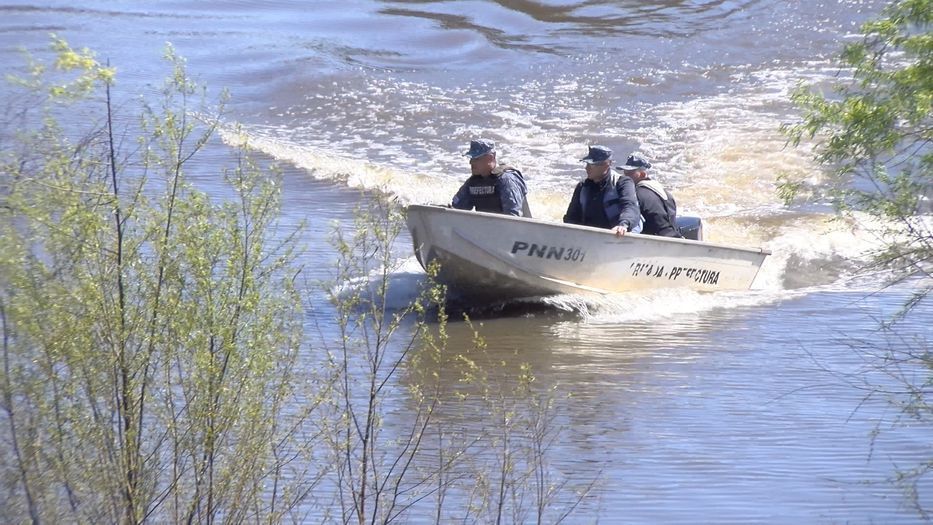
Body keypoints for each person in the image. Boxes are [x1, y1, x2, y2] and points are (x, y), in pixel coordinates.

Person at [562, 145, 640, 237]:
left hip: (616, 236)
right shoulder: (582, 186)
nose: (587, 168)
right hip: (588, 238)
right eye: (587, 164)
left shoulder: (623, 183)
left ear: (607, 164)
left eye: (592, 165)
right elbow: (571, 217)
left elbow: (630, 206)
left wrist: (623, 225)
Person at [451, 139, 531, 217]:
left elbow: (513, 216)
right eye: (471, 158)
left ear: (490, 158)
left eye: (476, 159)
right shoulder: (472, 182)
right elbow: (456, 210)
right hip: (487, 225)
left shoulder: (506, 179)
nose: (471, 162)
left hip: (514, 225)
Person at [616, 154, 683, 238]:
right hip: (674, 237)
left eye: (629, 174)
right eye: (625, 173)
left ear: (642, 174)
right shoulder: (663, 191)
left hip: (655, 240)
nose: (625, 177)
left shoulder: (635, 193)